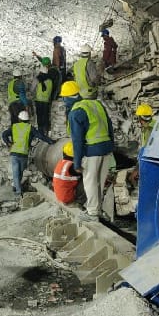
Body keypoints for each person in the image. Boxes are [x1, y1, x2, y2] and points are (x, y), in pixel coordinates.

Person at [60, 81, 115, 221]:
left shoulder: (76, 112)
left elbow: (77, 141)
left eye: (63, 98)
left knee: (90, 181)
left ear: (67, 98)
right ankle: (97, 209)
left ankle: (92, 213)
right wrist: (111, 147)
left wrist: (77, 162)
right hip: (106, 149)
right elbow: (110, 127)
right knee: (100, 182)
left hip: (92, 151)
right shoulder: (96, 104)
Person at [2, 110, 54, 197]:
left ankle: (16, 186)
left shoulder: (14, 127)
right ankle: (18, 191)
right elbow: (40, 136)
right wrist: (51, 141)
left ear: (19, 119)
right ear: (28, 120)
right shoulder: (30, 128)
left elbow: (4, 134)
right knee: (19, 172)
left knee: (17, 172)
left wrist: (8, 143)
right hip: (23, 154)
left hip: (14, 153)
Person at [53, 141, 84, 206]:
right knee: (87, 179)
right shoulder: (72, 167)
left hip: (60, 196)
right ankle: (80, 202)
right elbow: (85, 172)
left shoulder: (61, 163)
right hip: (68, 197)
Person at [33, 66, 54, 135]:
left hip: (39, 101)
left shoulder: (37, 80)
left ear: (40, 72)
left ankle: (40, 131)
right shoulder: (50, 81)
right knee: (46, 116)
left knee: (39, 116)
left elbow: (32, 89)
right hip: (46, 101)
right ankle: (46, 130)